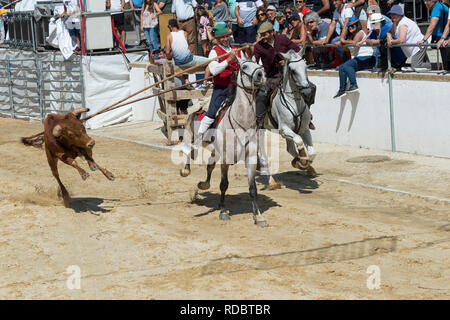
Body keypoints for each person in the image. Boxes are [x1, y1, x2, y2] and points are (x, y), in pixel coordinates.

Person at [182, 24, 241, 154]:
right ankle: (197, 141)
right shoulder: (214, 52)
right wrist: (229, 60)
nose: (225, 39)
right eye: (222, 37)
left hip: (237, 88)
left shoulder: (236, 49)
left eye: (226, 36)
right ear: (218, 39)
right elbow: (214, 70)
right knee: (211, 113)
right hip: (222, 88)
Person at [253, 22, 316, 129]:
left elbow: (296, 51)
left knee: (311, 88)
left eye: (265, 34)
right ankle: (260, 120)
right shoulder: (258, 46)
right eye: (261, 34)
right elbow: (254, 61)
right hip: (271, 76)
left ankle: (307, 115)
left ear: (272, 32)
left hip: (289, 74)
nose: (262, 36)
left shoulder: (282, 38)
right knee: (261, 94)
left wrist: (287, 60)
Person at [333, 16, 376, 98]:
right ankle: (342, 89)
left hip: (367, 58)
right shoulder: (351, 37)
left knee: (347, 65)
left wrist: (341, 41)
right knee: (342, 68)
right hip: (360, 59)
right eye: (349, 26)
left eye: (352, 26)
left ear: (357, 26)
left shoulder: (360, 32)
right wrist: (342, 44)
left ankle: (354, 85)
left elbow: (354, 42)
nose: (350, 28)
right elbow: (347, 49)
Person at [387, 5, 431, 71]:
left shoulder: (402, 24)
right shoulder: (395, 23)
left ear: (400, 14)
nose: (393, 16)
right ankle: (430, 66)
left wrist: (391, 42)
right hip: (416, 45)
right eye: (391, 14)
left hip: (418, 45)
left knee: (416, 65)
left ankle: (431, 66)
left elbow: (402, 40)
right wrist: (389, 38)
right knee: (420, 63)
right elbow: (389, 32)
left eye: (395, 14)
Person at [417, 0, 449, 72]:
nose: (425, 3)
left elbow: (432, 25)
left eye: (426, 0)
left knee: (447, 63)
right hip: (444, 36)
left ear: (433, 1)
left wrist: (424, 39)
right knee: (446, 61)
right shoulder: (442, 5)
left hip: (442, 38)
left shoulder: (437, 7)